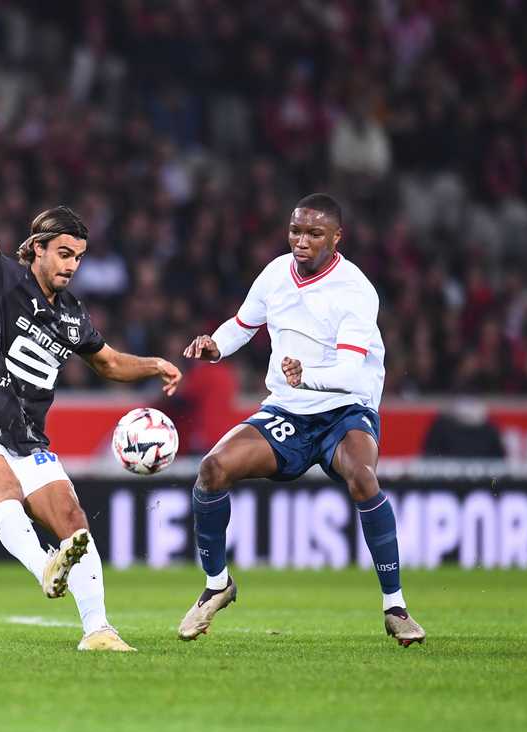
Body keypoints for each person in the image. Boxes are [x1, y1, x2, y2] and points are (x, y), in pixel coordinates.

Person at [0, 115, 181, 652]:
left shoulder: (72, 315)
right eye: (64, 254)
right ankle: (45, 567)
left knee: (72, 518)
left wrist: (154, 364)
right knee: (3, 489)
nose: (71, 266)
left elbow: (109, 364)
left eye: (79, 258)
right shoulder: (3, 280)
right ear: (39, 249)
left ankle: (98, 630)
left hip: (27, 437)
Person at [178, 193, 426, 647]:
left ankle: (396, 606)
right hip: (289, 409)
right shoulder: (275, 273)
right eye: (296, 231)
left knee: (362, 478)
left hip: (345, 409)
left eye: (314, 233)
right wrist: (215, 344)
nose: (302, 241)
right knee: (212, 468)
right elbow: (243, 325)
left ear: (337, 237)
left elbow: (351, 372)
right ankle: (217, 585)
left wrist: (307, 376)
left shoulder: (355, 290)